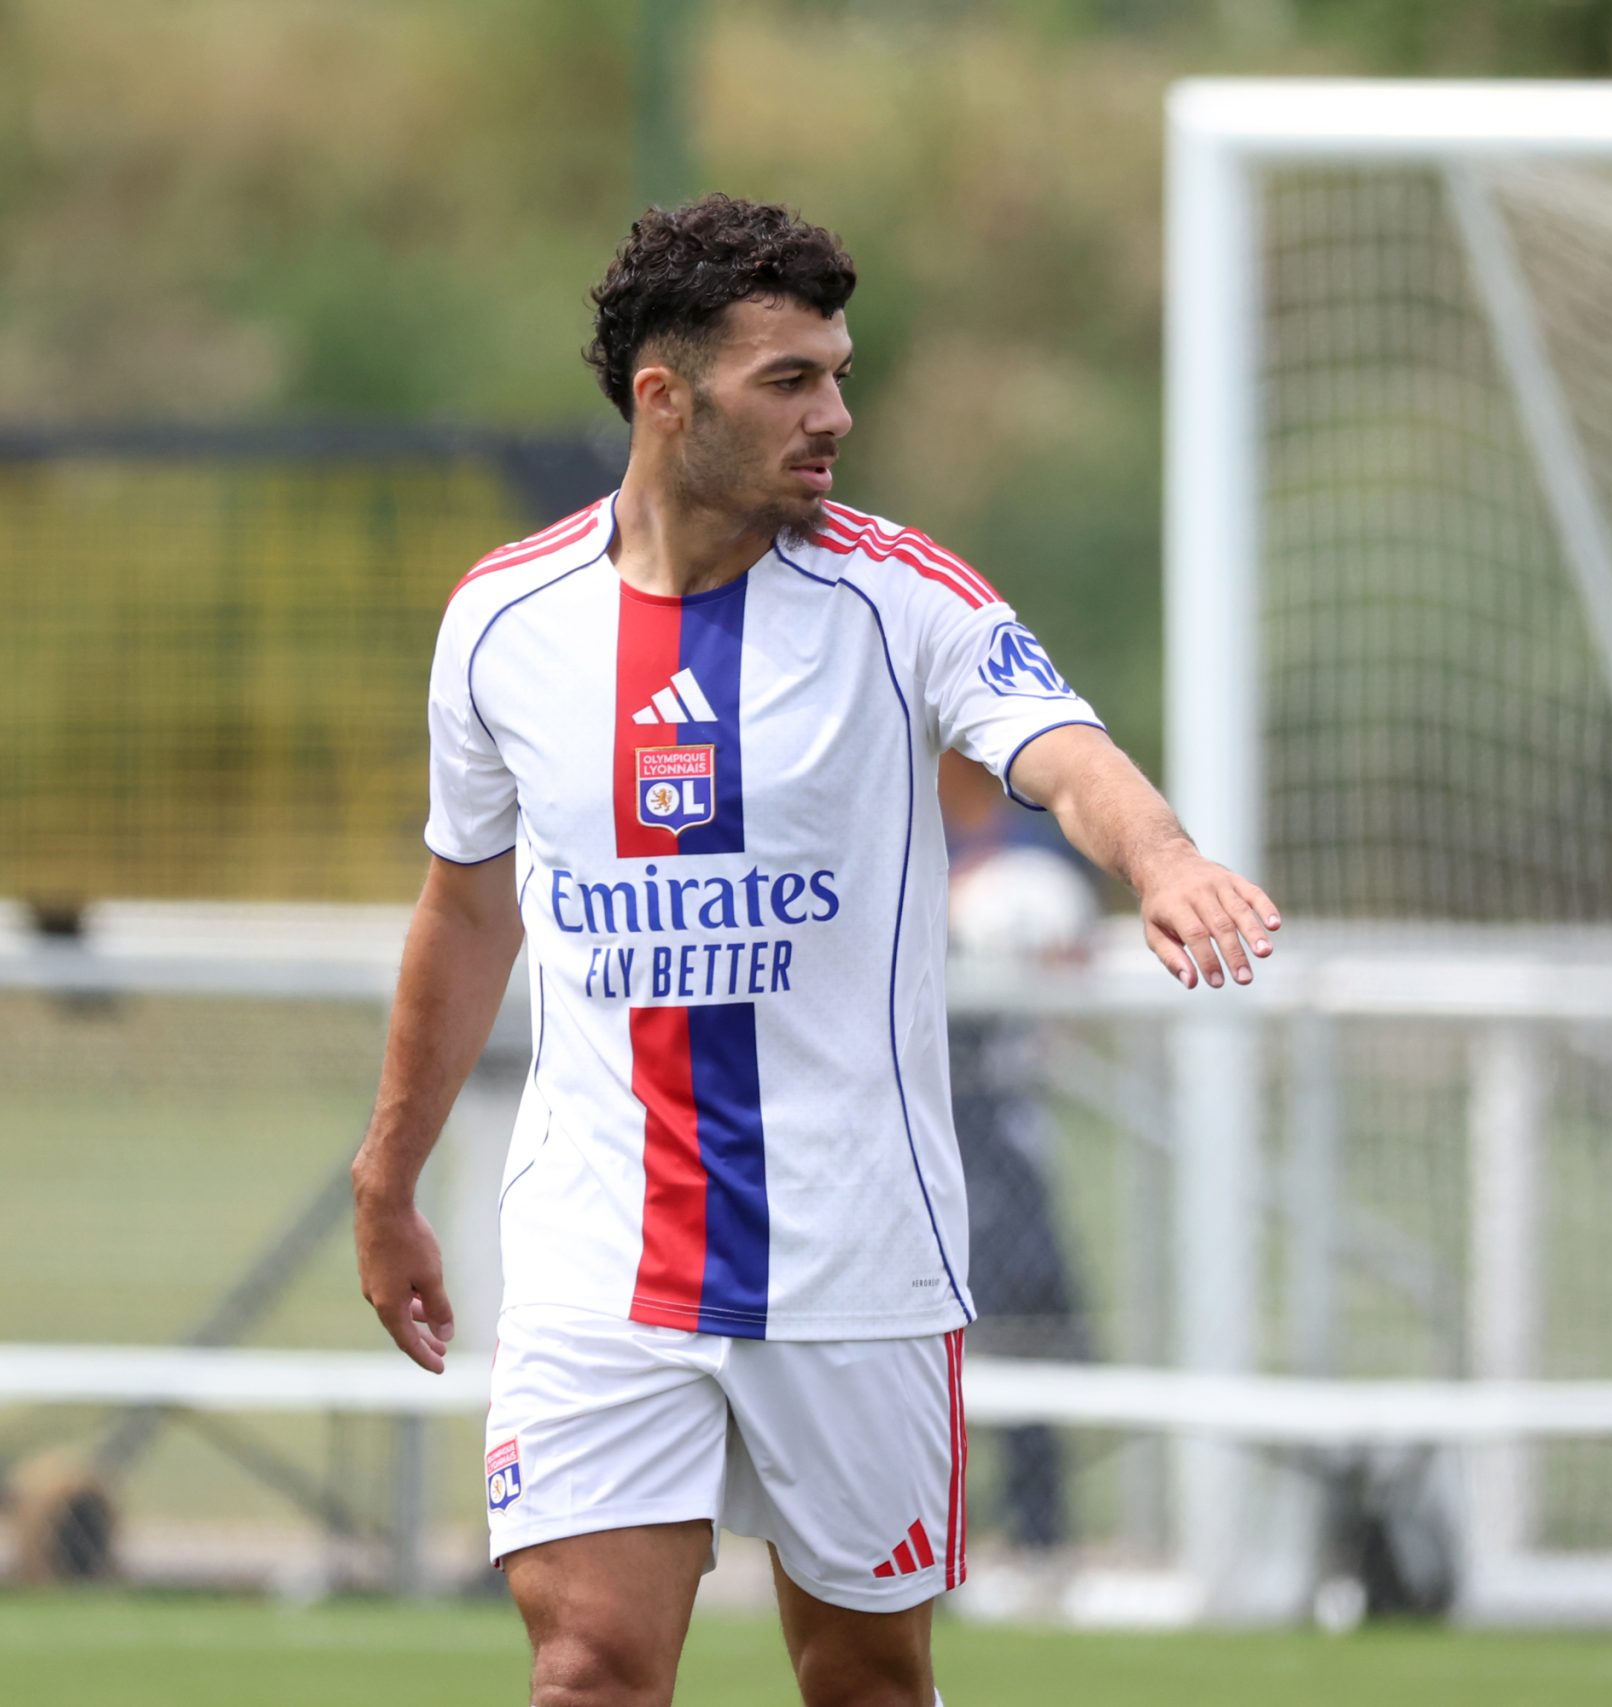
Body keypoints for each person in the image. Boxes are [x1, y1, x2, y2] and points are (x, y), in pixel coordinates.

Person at [349, 195, 1281, 1707]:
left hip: (857, 1254)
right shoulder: (502, 618)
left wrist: (1162, 856)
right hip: (603, 1249)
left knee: (863, 1678)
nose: (835, 412)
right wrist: (386, 1176)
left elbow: (1060, 746)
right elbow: (467, 907)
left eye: (840, 372)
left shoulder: (895, 588)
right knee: (588, 1664)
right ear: (666, 396)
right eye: (790, 379)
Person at [940, 748, 1098, 1561]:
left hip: (1006, 1129)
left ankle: (1038, 1532)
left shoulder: (1031, 853)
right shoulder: (908, 839)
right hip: (936, 1129)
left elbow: (1073, 965)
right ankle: (930, 1531)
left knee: (1036, 1320)